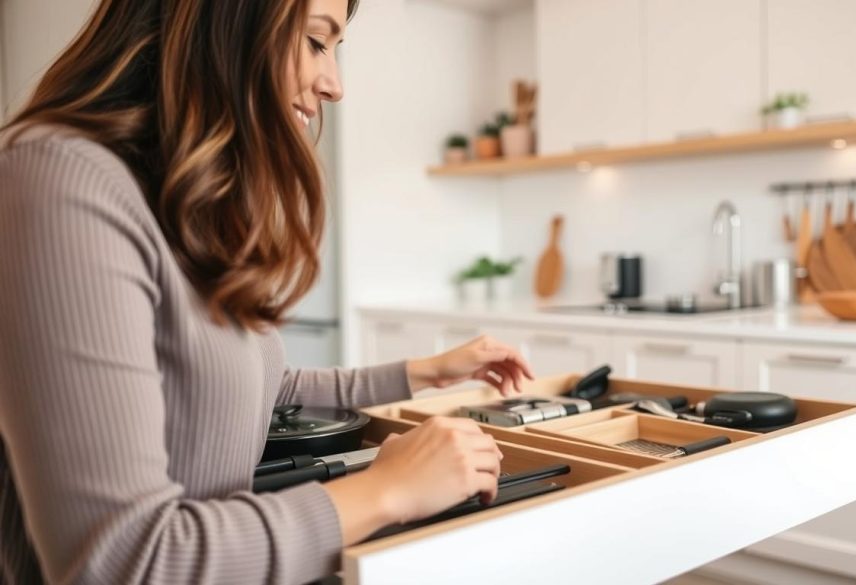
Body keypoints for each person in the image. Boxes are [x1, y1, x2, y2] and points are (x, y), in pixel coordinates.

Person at [0, 0, 535, 583]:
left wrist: (421, 373)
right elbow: (125, 560)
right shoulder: (59, 179)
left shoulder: (181, 199)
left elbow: (254, 387)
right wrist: (387, 490)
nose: (334, 85)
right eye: (314, 41)